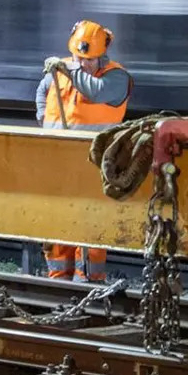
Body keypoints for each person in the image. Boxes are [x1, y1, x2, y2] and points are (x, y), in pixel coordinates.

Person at [37, 20, 132, 283]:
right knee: (56, 221)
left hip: (94, 164)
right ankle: (58, 279)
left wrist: (68, 68)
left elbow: (95, 92)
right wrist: (42, 115)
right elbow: (44, 88)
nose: (83, 63)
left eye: (88, 59)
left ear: (102, 55)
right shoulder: (65, 69)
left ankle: (87, 282)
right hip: (58, 161)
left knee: (89, 224)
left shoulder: (116, 78)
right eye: (79, 57)